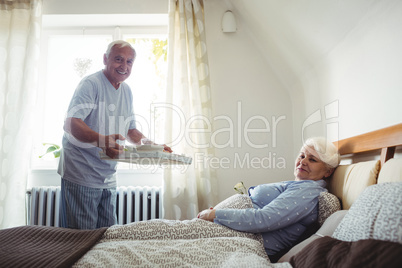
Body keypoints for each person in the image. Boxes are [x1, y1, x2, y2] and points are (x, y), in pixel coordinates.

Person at [58, 40, 172, 230]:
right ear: (105, 59)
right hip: (81, 171)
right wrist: (102, 141)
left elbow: (131, 130)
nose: (124, 66)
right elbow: (71, 123)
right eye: (118, 59)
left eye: (129, 62)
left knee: (107, 236)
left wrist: (154, 146)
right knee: (81, 239)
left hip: (107, 176)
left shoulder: (126, 91)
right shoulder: (91, 84)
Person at [197, 137, 340, 261]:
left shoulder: (308, 190)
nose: (303, 162)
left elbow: (264, 219)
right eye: (302, 156)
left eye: (312, 159)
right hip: (231, 231)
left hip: (244, 239)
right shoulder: (300, 185)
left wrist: (216, 214)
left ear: (328, 171)